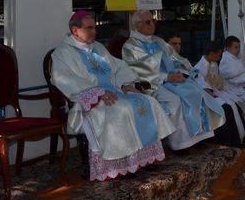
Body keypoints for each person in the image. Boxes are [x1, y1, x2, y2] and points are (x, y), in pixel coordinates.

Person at [51, 11, 175, 181]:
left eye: (94, 27)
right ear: (75, 31)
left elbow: (118, 67)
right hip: (90, 100)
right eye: (90, 28)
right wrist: (98, 92)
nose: (95, 31)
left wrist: (125, 84)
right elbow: (64, 79)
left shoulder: (98, 48)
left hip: (114, 92)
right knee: (122, 110)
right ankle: (124, 165)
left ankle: (145, 159)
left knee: (147, 101)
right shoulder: (62, 54)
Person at [122, 10, 227, 150]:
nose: (152, 24)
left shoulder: (157, 40)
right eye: (148, 22)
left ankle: (197, 137)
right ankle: (179, 143)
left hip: (169, 79)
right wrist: (167, 77)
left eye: (153, 20)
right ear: (136, 25)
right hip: (148, 85)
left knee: (196, 92)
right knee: (176, 101)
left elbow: (175, 58)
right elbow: (139, 71)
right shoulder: (131, 46)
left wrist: (183, 71)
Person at [195, 41, 245, 144]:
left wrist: (221, 87)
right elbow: (203, 86)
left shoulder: (213, 63)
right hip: (208, 95)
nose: (219, 57)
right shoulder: (199, 67)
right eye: (218, 54)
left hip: (218, 91)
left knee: (237, 104)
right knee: (229, 108)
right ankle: (231, 140)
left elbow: (217, 79)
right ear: (211, 53)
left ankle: (239, 137)